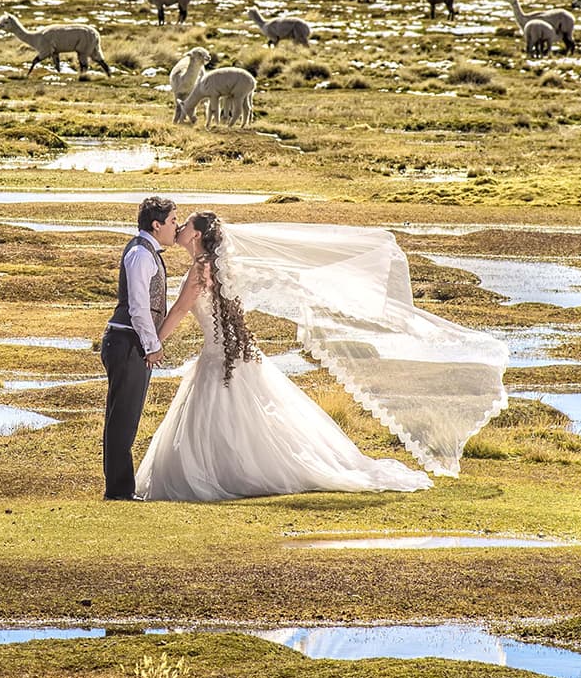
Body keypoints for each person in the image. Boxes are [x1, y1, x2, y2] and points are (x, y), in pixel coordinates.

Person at [135, 213, 508, 502]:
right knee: (252, 419)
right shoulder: (218, 268)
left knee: (231, 418)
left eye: (185, 226)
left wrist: (149, 344)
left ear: (196, 236)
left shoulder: (198, 273)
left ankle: (238, 473)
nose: (179, 228)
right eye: (176, 224)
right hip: (234, 355)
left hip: (220, 358)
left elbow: (181, 313)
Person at [100, 195, 177, 501]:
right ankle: (119, 491)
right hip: (127, 342)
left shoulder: (147, 251)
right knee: (123, 419)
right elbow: (138, 308)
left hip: (129, 341)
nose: (176, 226)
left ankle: (118, 488)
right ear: (156, 225)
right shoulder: (141, 255)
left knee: (123, 418)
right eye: (172, 221)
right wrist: (152, 345)